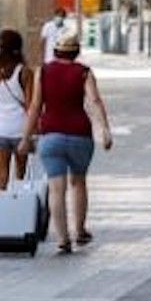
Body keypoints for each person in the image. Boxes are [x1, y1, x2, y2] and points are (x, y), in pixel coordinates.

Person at [17, 29, 113, 254]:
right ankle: (79, 230)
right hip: (80, 134)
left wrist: (25, 138)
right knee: (78, 182)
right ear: (76, 52)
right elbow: (95, 101)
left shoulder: (43, 72)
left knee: (55, 188)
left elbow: (35, 107)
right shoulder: (84, 73)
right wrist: (105, 130)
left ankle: (62, 238)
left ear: (55, 50)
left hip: (50, 136)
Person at [0, 29, 33, 191]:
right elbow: (31, 105)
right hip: (20, 132)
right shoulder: (24, 73)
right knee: (20, 178)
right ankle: (19, 213)